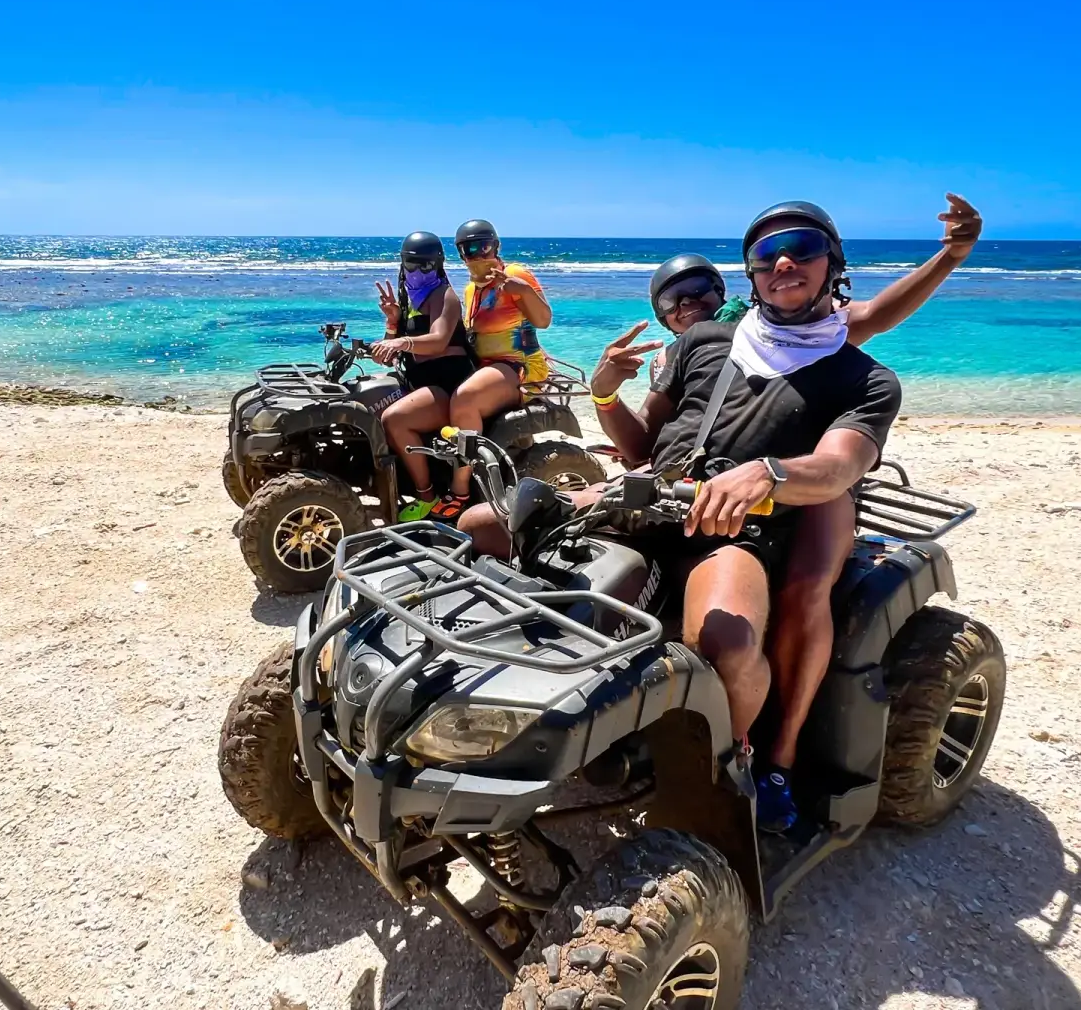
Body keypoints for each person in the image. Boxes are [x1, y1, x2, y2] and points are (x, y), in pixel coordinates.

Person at [462, 194, 982, 833]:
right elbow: (641, 448)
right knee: (479, 528)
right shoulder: (704, 340)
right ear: (750, 273)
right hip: (649, 500)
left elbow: (839, 467)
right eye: (766, 254)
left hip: (738, 526)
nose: (784, 262)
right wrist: (603, 393)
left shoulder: (864, 379)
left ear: (834, 264)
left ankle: (746, 762)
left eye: (803, 249)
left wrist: (770, 473)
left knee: (730, 641)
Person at [414, 219, 552, 522]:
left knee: (465, 398)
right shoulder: (470, 290)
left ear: (496, 246)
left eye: (483, 246)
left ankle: (460, 489)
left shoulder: (515, 275)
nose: (476, 254)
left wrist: (523, 291)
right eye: (468, 249)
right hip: (487, 367)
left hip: (519, 367)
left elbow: (543, 320)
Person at [371, 232, 478, 520]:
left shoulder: (444, 296)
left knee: (394, 419)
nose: (418, 271)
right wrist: (392, 323)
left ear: (438, 265)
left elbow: (439, 340)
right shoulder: (410, 301)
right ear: (402, 263)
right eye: (412, 264)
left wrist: (402, 341)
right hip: (419, 384)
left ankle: (427, 497)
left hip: (447, 387)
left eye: (426, 265)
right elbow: (388, 354)